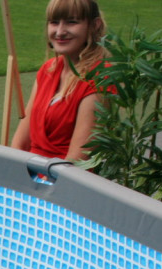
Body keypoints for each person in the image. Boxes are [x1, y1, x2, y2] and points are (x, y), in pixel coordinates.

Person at [10, 0, 108, 162]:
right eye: (54, 22)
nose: (60, 32)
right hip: (28, 173)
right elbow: (20, 142)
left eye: (71, 22)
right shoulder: (48, 70)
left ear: (94, 25)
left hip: (62, 180)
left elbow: (77, 161)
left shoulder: (98, 80)